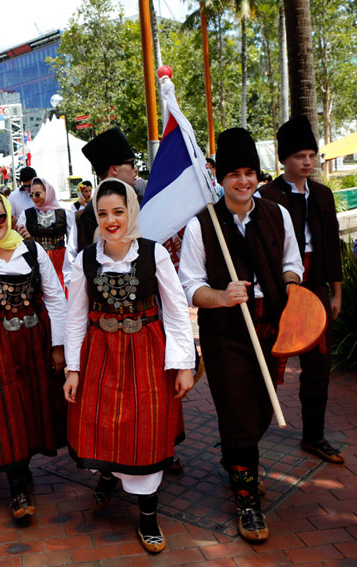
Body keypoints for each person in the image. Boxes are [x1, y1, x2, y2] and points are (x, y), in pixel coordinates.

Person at [178, 128, 303, 542]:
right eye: (234, 173)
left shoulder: (276, 213)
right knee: (236, 412)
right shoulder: (202, 224)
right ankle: (246, 498)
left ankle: (237, 458)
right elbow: (189, 285)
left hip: (269, 325)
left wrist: (289, 285)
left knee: (263, 407)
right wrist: (221, 295)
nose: (243, 181)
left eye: (250, 172)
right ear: (220, 177)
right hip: (225, 331)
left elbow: (292, 261)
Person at [64, 179, 195, 553]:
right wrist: (73, 369)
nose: (110, 220)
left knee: (146, 426)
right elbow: (75, 318)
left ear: (131, 212)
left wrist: (183, 364)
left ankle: (148, 514)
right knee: (104, 421)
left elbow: (175, 312)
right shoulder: (85, 259)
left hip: (147, 350)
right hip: (101, 351)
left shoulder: (155, 254)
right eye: (103, 213)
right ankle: (108, 472)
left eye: (118, 212)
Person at [0, 191, 67, 519]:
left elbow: (54, 297)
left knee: (35, 403)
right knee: (6, 409)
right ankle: (19, 485)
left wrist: (58, 346)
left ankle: (32, 471)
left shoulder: (33, 249)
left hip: (35, 339)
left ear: (9, 217)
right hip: (0, 344)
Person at [258, 116, 344, 464]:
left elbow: (332, 246)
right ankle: (249, 446)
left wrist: (336, 293)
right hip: (279, 293)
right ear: (283, 159)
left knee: (318, 366)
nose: (307, 162)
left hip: (317, 288)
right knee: (268, 367)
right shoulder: (267, 195)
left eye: (312, 155)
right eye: (299, 156)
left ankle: (314, 436)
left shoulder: (322, 195)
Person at [78, 128, 138, 251]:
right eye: (132, 163)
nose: (136, 169)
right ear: (115, 169)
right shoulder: (90, 214)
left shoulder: (137, 199)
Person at [15, 177, 78, 289]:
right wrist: (26, 238)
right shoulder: (26, 214)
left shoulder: (64, 214)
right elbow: (19, 242)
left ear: (48, 193)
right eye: (31, 195)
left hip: (60, 259)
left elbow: (72, 243)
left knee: (60, 288)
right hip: (37, 258)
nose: (34, 198)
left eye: (38, 194)